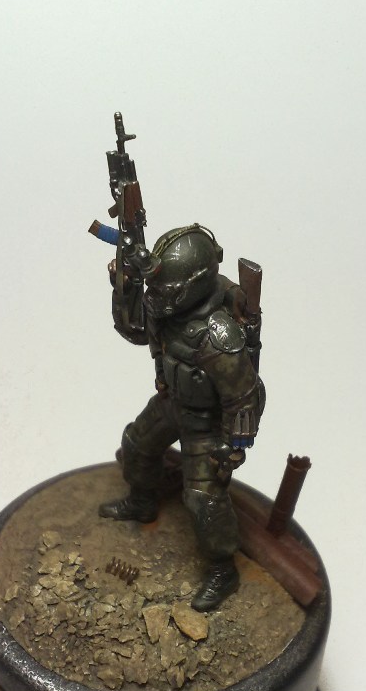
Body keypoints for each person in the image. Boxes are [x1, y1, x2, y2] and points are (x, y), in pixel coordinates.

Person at [98, 223, 265, 612]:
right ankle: (142, 500)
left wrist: (233, 447)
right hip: (172, 400)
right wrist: (124, 287)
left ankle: (223, 570)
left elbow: (243, 396)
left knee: (204, 498)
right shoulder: (165, 306)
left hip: (206, 424)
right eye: (154, 290)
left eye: (165, 291)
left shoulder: (218, 335)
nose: (155, 297)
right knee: (136, 443)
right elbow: (133, 329)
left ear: (192, 287)